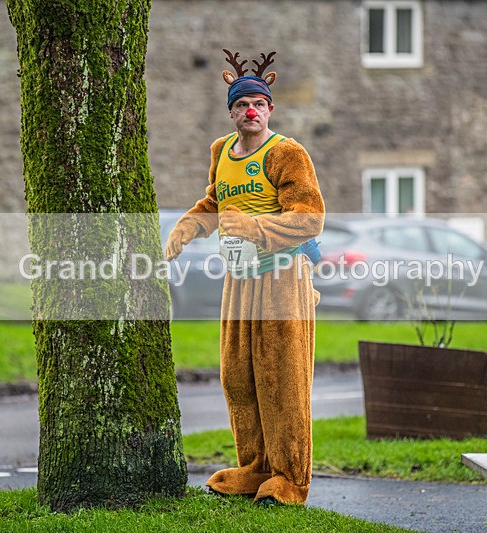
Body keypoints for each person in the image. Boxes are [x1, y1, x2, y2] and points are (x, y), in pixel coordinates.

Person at [164, 49, 324, 505]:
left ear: (270, 109)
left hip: (282, 279)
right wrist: (188, 227)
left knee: (282, 379)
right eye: (241, 105)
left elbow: (309, 218)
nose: (249, 112)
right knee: (239, 377)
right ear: (231, 111)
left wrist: (254, 228)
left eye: (258, 104)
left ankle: (290, 479)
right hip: (238, 280)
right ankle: (255, 468)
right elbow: (215, 203)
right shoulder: (221, 151)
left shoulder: (287, 153)